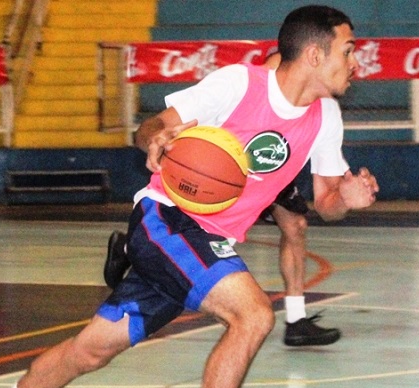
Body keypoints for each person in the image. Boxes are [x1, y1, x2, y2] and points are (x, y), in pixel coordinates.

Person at [0, 4, 379, 388]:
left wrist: (344, 201)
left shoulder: (325, 116)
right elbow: (153, 124)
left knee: (90, 351)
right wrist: (154, 137)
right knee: (254, 314)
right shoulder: (238, 86)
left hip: (204, 244)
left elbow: (325, 201)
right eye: (348, 50)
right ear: (313, 53)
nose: (356, 61)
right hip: (167, 220)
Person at [104, 52, 340, 348]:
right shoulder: (245, 81)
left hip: (269, 167)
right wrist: (161, 140)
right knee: (244, 309)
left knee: (295, 225)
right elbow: (159, 125)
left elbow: (329, 200)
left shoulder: (319, 111)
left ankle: (295, 319)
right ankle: (133, 246)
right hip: (225, 166)